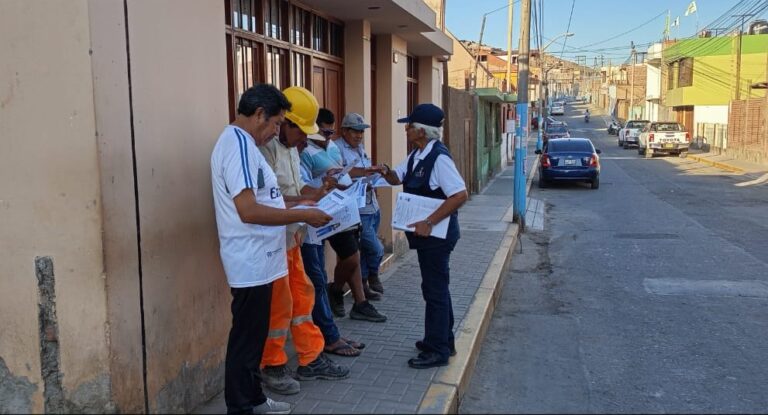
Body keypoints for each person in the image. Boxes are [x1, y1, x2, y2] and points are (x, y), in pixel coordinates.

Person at [210, 84, 332, 414]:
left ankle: (254, 399)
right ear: (259, 114)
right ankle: (240, 406)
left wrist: (300, 203)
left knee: (254, 336)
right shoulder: (237, 146)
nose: (276, 131)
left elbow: (267, 198)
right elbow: (248, 210)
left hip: (262, 260)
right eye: (276, 123)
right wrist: (303, 213)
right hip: (249, 261)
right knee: (246, 341)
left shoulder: (245, 145)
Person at [257, 86, 350, 396]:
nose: (304, 139)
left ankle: (310, 358)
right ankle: (272, 366)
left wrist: (322, 191)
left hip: (292, 239)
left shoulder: (289, 151)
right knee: (280, 307)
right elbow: (268, 202)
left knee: (303, 300)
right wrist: (304, 209)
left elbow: (298, 195)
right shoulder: (263, 151)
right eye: (301, 132)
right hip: (273, 243)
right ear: (284, 123)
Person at [374, 103, 468, 369]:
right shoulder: (417, 154)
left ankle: (437, 350)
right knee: (436, 288)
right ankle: (441, 340)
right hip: (428, 237)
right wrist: (386, 172)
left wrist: (429, 221)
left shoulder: (439, 158)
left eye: (410, 126)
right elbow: (397, 177)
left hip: (438, 236)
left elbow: (459, 195)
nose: (406, 129)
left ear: (422, 132)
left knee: (435, 290)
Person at [300, 108, 387, 323]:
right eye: (324, 133)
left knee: (352, 256)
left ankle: (349, 297)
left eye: (330, 133)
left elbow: (341, 172)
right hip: (315, 212)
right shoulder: (303, 150)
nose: (328, 137)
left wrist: (357, 177)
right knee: (318, 270)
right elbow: (302, 186)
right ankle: (324, 317)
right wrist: (329, 184)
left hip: (341, 209)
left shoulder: (331, 148)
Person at [336, 112, 386, 299]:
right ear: (344, 131)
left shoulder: (360, 148)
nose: (359, 135)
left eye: (361, 132)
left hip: (372, 205)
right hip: (357, 209)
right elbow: (341, 175)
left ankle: (364, 285)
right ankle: (373, 275)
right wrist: (367, 171)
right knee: (375, 248)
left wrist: (376, 175)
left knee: (365, 250)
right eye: (355, 131)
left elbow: (366, 171)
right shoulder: (337, 149)